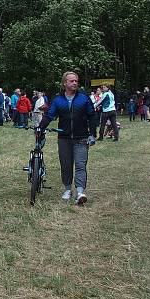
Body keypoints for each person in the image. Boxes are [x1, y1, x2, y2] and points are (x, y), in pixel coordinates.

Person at [37, 71, 98, 205]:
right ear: (65, 83)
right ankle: (67, 189)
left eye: (76, 80)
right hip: (64, 138)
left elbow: (92, 115)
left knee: (81, 165)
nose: (75, 83)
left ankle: (80, 192)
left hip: (81, 137)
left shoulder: (84, 98)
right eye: (72, 81)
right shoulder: (58, 100)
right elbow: (49, 115)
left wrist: (92, 134)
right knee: (66, 165)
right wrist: (40, 128)